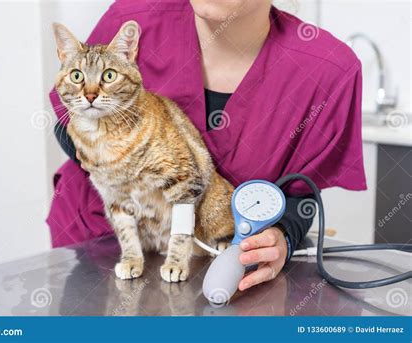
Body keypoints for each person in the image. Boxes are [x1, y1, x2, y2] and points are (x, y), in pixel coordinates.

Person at [48, 0, 366, 291]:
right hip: (96, 244)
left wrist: (282, 235)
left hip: (221, 257)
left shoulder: (326, 69)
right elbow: (70, 115)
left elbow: (300, 196)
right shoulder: (132, 16)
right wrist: (109, 159)